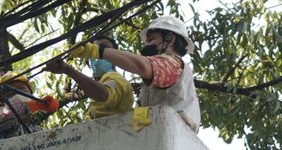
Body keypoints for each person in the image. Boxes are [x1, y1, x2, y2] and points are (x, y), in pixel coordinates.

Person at [70, 17, 200, 132]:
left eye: (152, 39)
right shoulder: (159, 77)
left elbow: (142, 66)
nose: (146, 45)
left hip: (174, 133)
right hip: (166, 135)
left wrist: (97, 51)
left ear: (170, 39)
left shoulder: (173, 63)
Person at [46, 36, 133, 119]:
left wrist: (68, 70)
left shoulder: (116, 78)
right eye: (92, 52)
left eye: (103, 48)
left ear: (116, 58)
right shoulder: (100, 84)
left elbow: (103, 95)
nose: (97, 55)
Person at [0, 71, 58, 141]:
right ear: (2, 103)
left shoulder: (40, 131)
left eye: (21, 89)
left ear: (31, 94)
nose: (16, 94)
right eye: (9, 93)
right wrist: (34, 105)